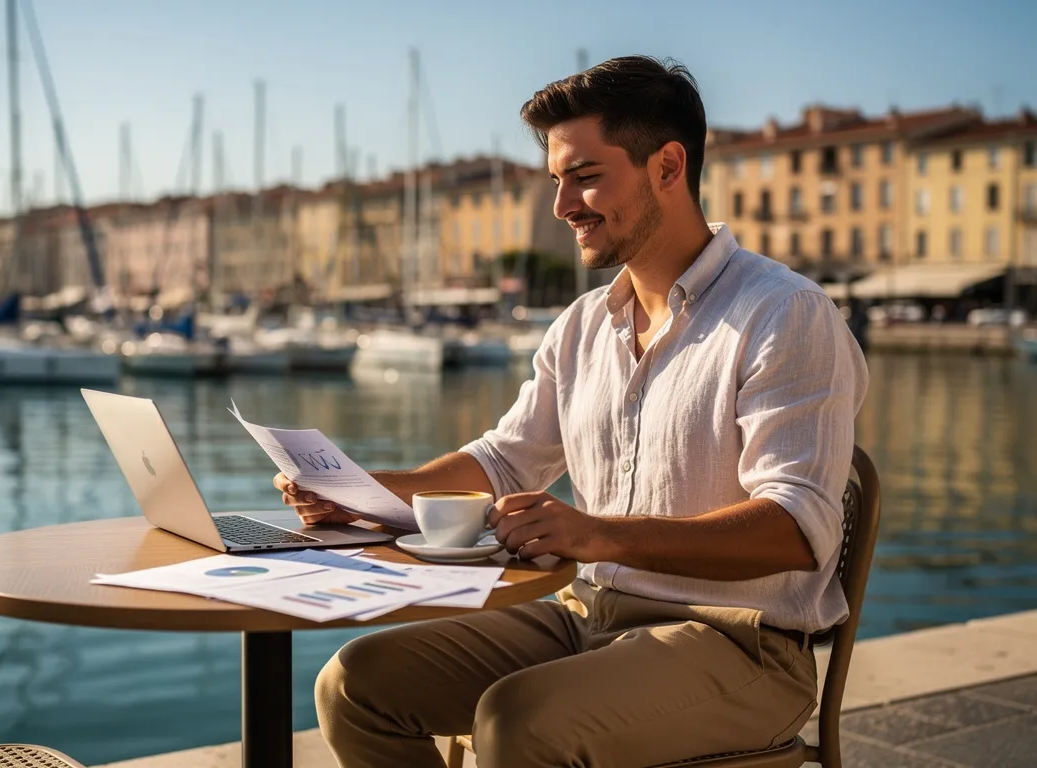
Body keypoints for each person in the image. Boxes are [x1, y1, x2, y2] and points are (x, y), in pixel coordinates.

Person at [274, 55, 868, 768]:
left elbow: (797, 531)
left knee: (518, 720)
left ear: (668, 168)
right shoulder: (582, 325)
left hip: (741, 643)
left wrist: (595, 535)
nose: (563, 206)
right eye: (557, 180)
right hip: (585, 617)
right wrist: (361, 495)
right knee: (355, 684)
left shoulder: (784, 313)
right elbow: (503, 460)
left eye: (586, 177)